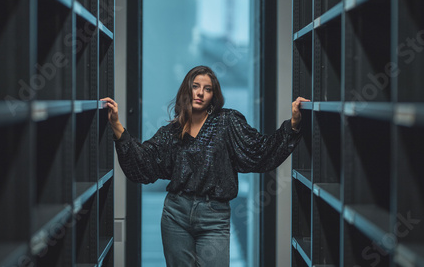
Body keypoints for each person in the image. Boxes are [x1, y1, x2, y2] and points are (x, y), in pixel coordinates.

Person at [101, 65, 309, 267]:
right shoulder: (172, 131)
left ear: (213, 95)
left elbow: (261, 151)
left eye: (207, 89)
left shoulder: (228, 121)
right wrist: (117, 126)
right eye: (195, 86)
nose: (200, 93)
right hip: (176, 215)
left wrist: (293, 124)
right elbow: (144, 161)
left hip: (214, 217)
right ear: (186, 90)